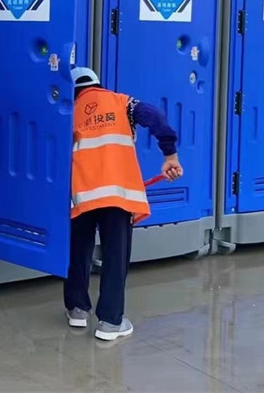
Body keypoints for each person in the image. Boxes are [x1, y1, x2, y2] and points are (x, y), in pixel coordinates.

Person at [65, 67, 183, 341]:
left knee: (77, 250)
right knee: (115, 257)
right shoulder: (122, 102)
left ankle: (77, 310)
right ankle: (109, 322)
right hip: (117, 195)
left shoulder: (67, 111)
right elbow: (155, 117)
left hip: (81, 194)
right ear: (98, 84)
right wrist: (170, 155)